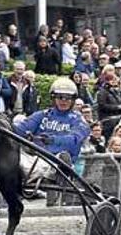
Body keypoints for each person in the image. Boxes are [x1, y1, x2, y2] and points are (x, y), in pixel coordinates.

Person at [14, 78, 89, 206]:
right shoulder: (42, 115)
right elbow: (19, 130)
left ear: (73, 100)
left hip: (56, 162)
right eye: (60, 97)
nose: (63, 101)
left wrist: (52, 139)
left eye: (67, 98)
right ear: (53, 98)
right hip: (34, 159)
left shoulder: (79, 120)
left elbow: (74, 140)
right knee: (13, 155)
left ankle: (51, 174)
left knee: (61, 157)